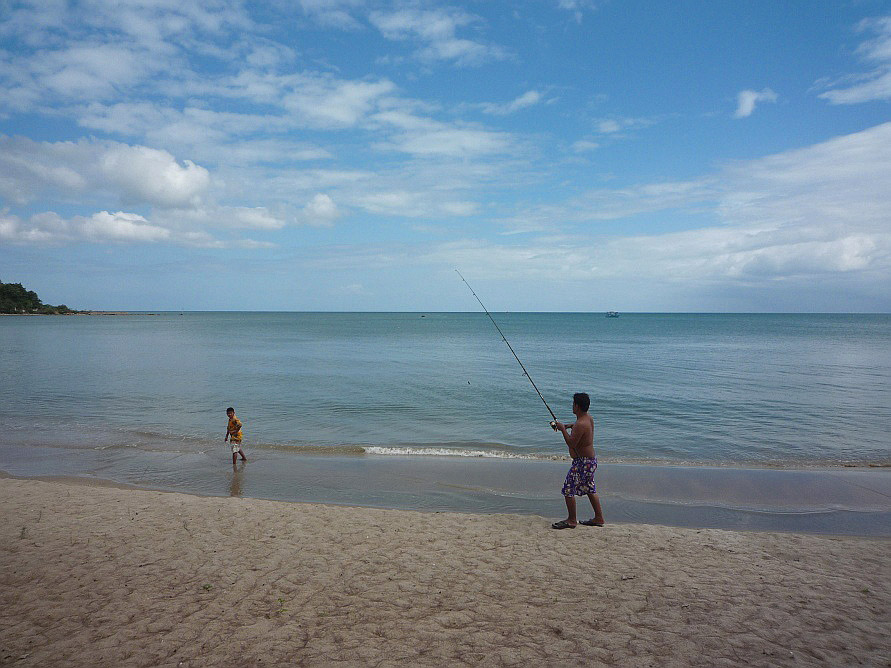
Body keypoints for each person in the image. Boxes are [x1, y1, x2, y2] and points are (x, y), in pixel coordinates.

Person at [551, 392, 605, 529]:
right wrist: (569, 426)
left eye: (573, 404)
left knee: (568, 489)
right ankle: (599, 518)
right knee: (589, 488)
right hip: (589, 461)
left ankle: (571, 520)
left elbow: (571, 443)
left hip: (583, 463)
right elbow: (581, 430)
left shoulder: (580, 424)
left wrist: (563, 429)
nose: (572, 406)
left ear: (577, 406)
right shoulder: (588, 419)